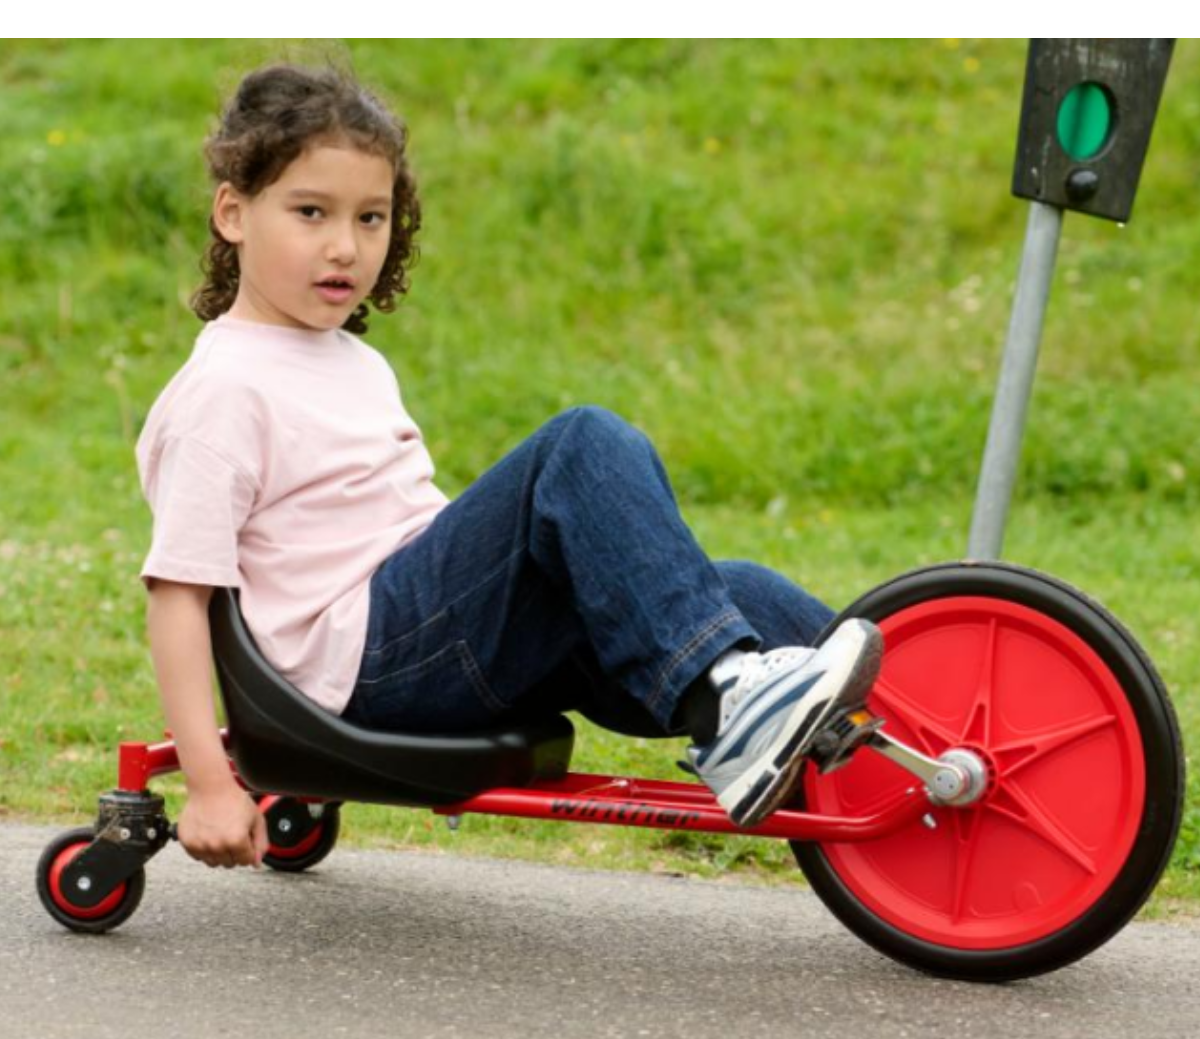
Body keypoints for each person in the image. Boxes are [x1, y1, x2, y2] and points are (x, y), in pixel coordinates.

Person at [138, 63, 882, 871]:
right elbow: (180, 595)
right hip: (371, 670)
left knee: (735, 594)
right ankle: (728, 702)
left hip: (439, 639)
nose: (346, 246)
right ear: (233, 213)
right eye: (310, 212)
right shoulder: (224, 390)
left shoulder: (349, 359)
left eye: (371, 217)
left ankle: (918, 733)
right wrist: (210, 784)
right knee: (579, 446)